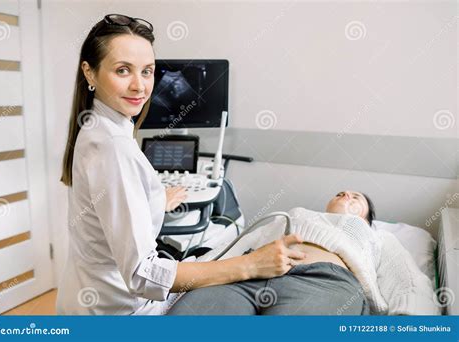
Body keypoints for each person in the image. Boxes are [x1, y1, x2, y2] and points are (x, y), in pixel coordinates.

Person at [56, 14, 306, 315]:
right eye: (123, 70)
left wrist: (157, 198)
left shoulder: (96, 127)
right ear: (90, 73)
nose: (140, 86)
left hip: (85, 298)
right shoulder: (113, 148)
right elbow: (142, 275)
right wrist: (249, 265)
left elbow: (110, 208)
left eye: (147, 72)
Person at [167, 190, 376, 315]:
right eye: (341, 192)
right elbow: (241, 245)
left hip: (324, 282)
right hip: (250, 274)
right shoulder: (297, 213)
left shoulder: (375, 235)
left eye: (356, 197)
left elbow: (405, 282)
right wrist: (187, 276)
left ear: (367, 219)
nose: (346, 194)